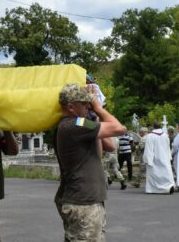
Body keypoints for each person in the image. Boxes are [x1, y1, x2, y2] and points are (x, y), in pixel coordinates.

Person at [54, 83, 126, 241]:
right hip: (83, 203)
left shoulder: (79, 125)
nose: (89, 106)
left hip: (87, 201)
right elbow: (119, 128)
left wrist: (94, 117)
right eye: (85, 103)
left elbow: (109, 146)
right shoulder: (74, 124)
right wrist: (99, 108)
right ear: (71, 107)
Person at [143, 122, 175, 194]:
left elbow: (148, 149)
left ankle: (154, 189)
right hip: (164, 157)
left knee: (154, 173)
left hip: (155, 158)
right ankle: (169, 186)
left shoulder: (150, 136)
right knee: (166, 173)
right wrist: (169, 157)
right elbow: (168, 147)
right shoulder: (165, 135)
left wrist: (147, 159)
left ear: (153, 126)